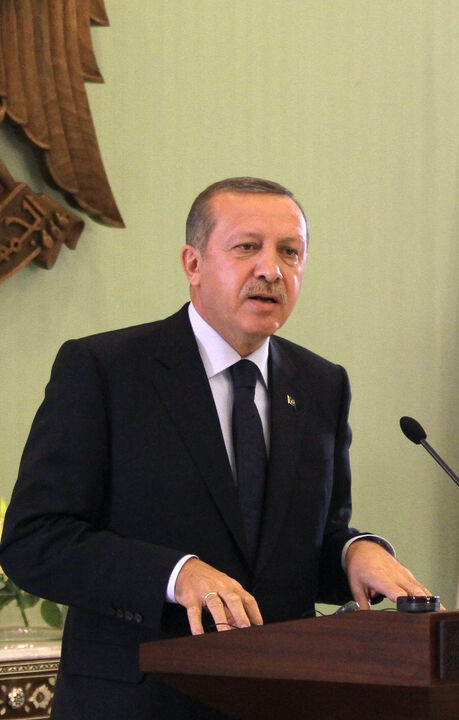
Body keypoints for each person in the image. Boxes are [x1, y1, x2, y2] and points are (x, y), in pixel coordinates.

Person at [0, 177, 433, 719]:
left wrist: (353, 552)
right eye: (247, 247)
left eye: (289, 252)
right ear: (193, 263)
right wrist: (175, 573)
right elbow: (34, 541)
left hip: (279, 699)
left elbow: (302, 545)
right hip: (138, 703)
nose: (271, 270)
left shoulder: (322, 385)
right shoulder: (106, 372)